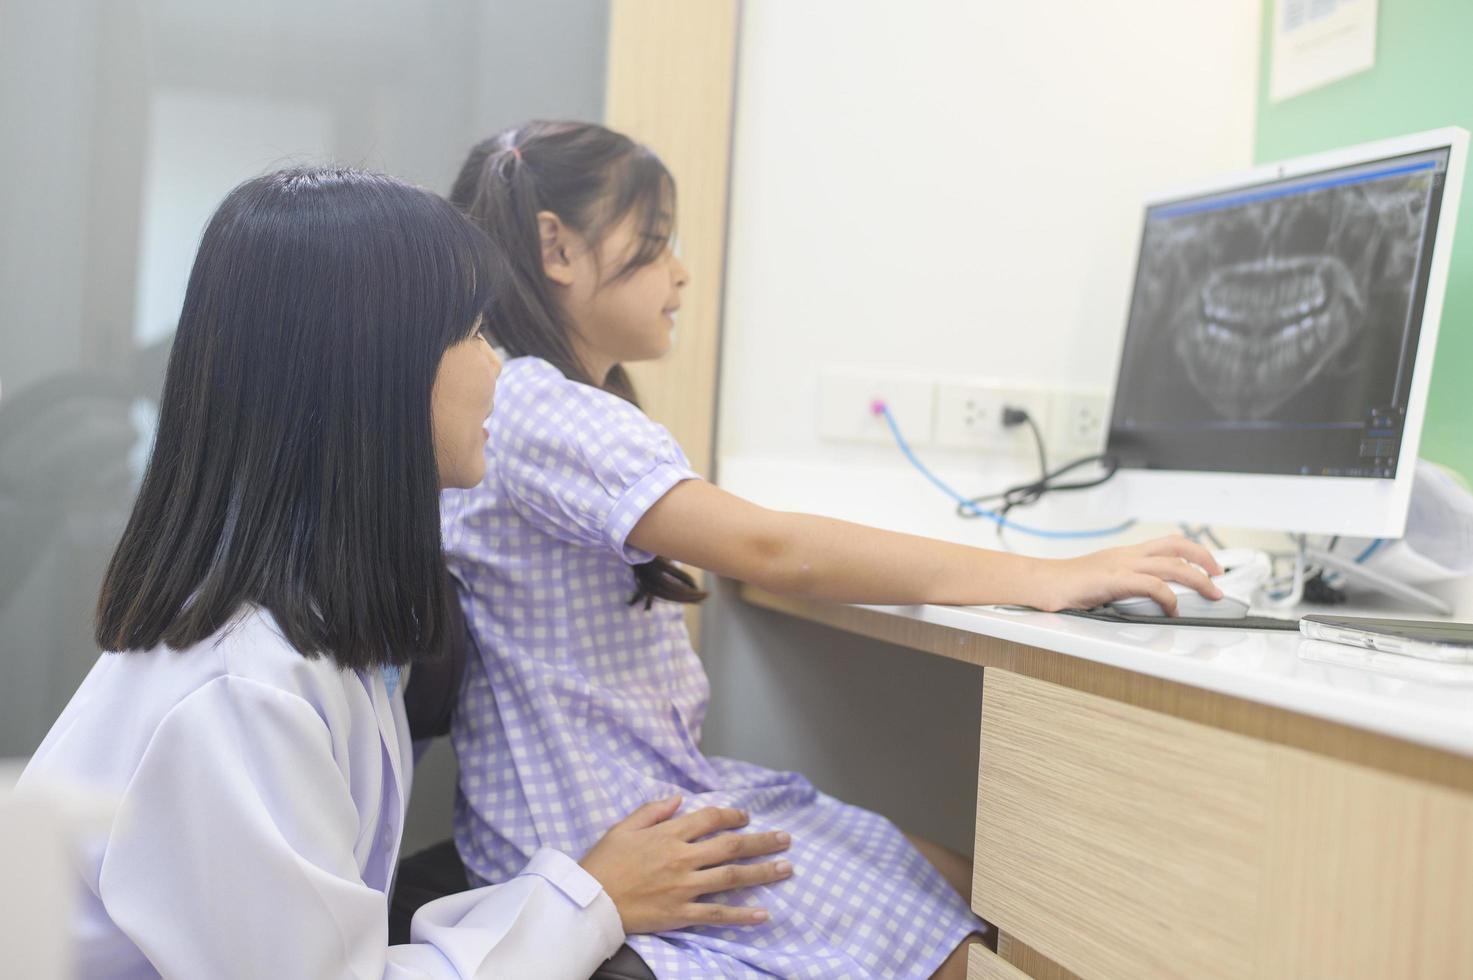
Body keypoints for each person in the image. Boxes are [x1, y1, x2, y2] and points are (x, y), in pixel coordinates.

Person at [441, 121, 1224, 978]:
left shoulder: (538, 406)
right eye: (657, 243)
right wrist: (1046, 576)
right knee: (989, 935)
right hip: (601, 829)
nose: (681, 272)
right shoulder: (536, 405)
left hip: (624, 798)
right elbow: (769, 548)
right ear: (556, 247)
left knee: (977, 890)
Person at [18, 167, 792, 979]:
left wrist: (583, 894)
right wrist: (590, 898)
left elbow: (334, 933)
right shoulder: (241, 692)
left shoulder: (313, 629)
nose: (498, 370)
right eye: (474, 333)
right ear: (372, 369)